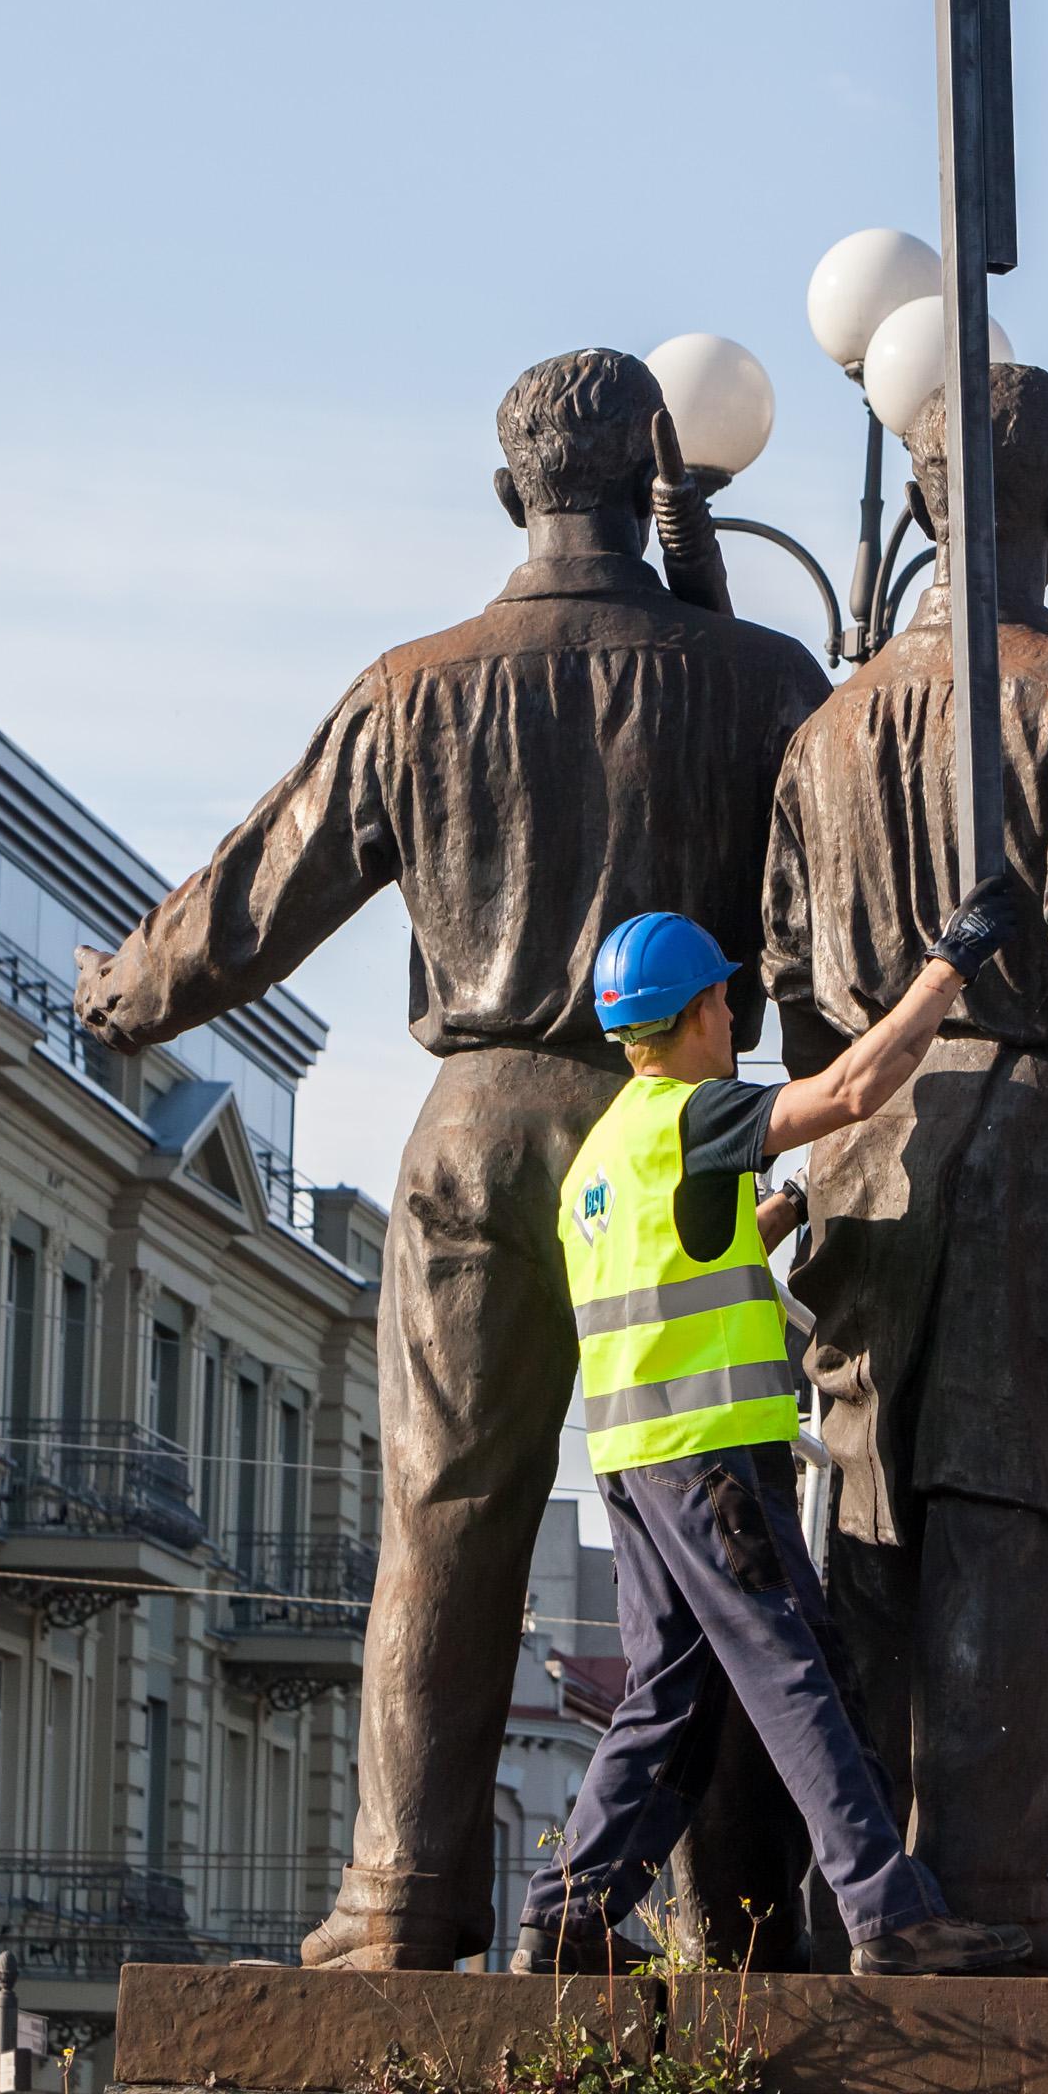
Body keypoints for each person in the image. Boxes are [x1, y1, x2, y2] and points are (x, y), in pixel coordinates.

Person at [73, 349, 828, 1971]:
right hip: (670, 1128)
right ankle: (743, 1922)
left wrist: (116, 995)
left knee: (448, 1511)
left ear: (509, 490)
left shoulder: (417, 682)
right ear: (656, 477)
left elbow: (254, 894)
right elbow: (828, 921)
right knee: (710, 1521)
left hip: (476, 1132)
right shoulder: (761, 677)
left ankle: (400, 1903)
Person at [751, 361, 1048, 1970]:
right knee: (1010, 1540)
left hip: (870, 1157)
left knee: (871, 1538)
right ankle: (983, 1909)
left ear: (918, 506)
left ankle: (870, 1904)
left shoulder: (826, 731)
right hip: (1038, 1151)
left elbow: (803, 995)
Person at [515, 900, 1034, 1978]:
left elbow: (670, 1270)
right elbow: (849, 1092)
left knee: (669, 1694)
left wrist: (771, 1223)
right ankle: (889, 1912)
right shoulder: (698, 1116)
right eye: (725, 1000)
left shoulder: (601, 1161)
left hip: (633, 1464)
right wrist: (947, 968)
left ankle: (565, 1916)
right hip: (714, 1460)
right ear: (706, 1008)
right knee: (798, 1667)